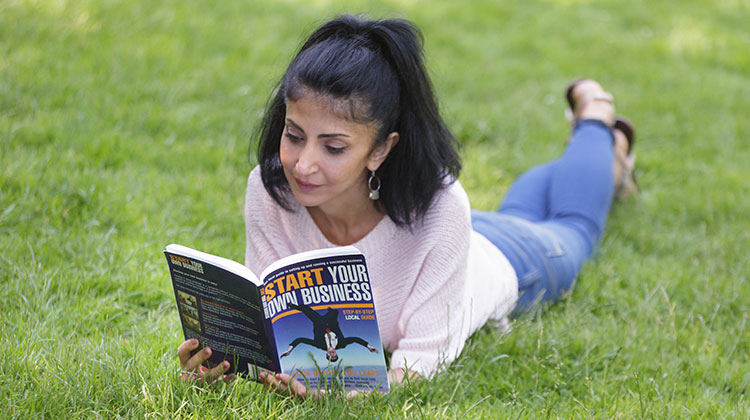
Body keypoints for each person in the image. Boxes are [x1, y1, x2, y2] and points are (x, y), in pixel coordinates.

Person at [176, 15, 638, 397]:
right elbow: (272, 332)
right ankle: (606, 155)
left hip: (512, 260)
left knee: (574, 227)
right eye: (294, 135)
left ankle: (598, 120)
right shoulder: (270, 189)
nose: (303, 164)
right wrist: (224, 360)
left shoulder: (440, 208)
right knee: (525, 211)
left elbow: (421, 359)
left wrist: (352, 396)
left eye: (333, 147)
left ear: (381, 149)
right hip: (466, 236)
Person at [278, 303, 379, 361]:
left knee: (306, 309)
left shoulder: (319, 345)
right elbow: (355, 339)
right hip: (331, 323)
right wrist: (368, 346)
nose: (332, 354)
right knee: (335, 312)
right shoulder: (342, 344)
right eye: (334, 356)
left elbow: (301, 340)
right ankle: (331, 311)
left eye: (331, 356)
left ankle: (290, 305)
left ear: (327, 355)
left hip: (319, 323)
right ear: (336, 353)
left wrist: (289, 350)